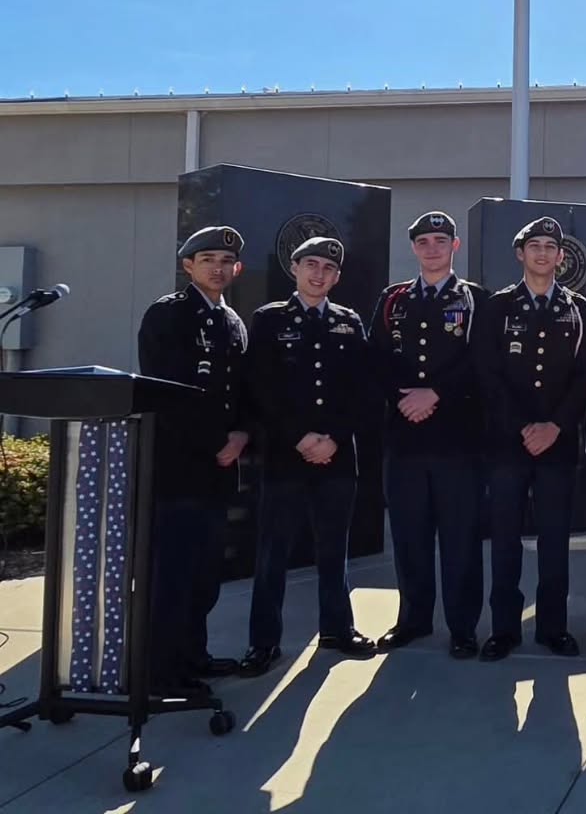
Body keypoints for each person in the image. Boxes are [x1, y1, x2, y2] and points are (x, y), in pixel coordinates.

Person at [239, 236, 376, 676]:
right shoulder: (269, 319)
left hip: (337, 455)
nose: (319, 274)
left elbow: (362, 391)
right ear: (294, 268)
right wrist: (300, 437)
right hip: (285, 454)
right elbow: (260, 387)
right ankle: (264, 641)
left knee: (334, 548)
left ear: (337, 277)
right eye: (311, 264)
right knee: (272, 552)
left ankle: (338, 628)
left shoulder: (348, 321)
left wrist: (333, 437)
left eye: (328, 269)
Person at [475, 216, 586, 661]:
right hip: (508, 445)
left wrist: (556, 426)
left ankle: (552, 626)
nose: (543, 253)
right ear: (520, 254)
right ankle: (504, 629)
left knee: (553, 540)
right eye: (535, 246)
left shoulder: (578, 309)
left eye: (551, 247)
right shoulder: (498, 307)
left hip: (558, 446)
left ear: (561, 258)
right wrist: (521, 427)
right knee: (505, 538)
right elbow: (486, 374)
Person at [136, 225, 250, 695]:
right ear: (188, 266)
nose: (217, 269)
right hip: (179, 467)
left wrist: (242, 434)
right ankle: (162, 670)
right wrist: (214, 444)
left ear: (237, 269)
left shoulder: (234, 322)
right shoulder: (169, 315)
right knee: (173, 574)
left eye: (225, 262)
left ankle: (193, 655)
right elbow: (165, 393)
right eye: (207, 260)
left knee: (205, 573)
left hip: (219, 470)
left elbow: (242, 392)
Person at [370, 211, 489, 659]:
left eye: (441, 240)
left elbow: (481, 362)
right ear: (414, 248)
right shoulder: (393, 299)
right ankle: (414, 619)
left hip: (458, 440)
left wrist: (434, 393)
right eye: (424, 241)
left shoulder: (475, 299)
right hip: (405, 439)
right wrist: (404, 399)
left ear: (454, 247)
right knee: (409, 536)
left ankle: (462, 626)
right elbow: (377, 358)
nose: (433, 247)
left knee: (460, 537)